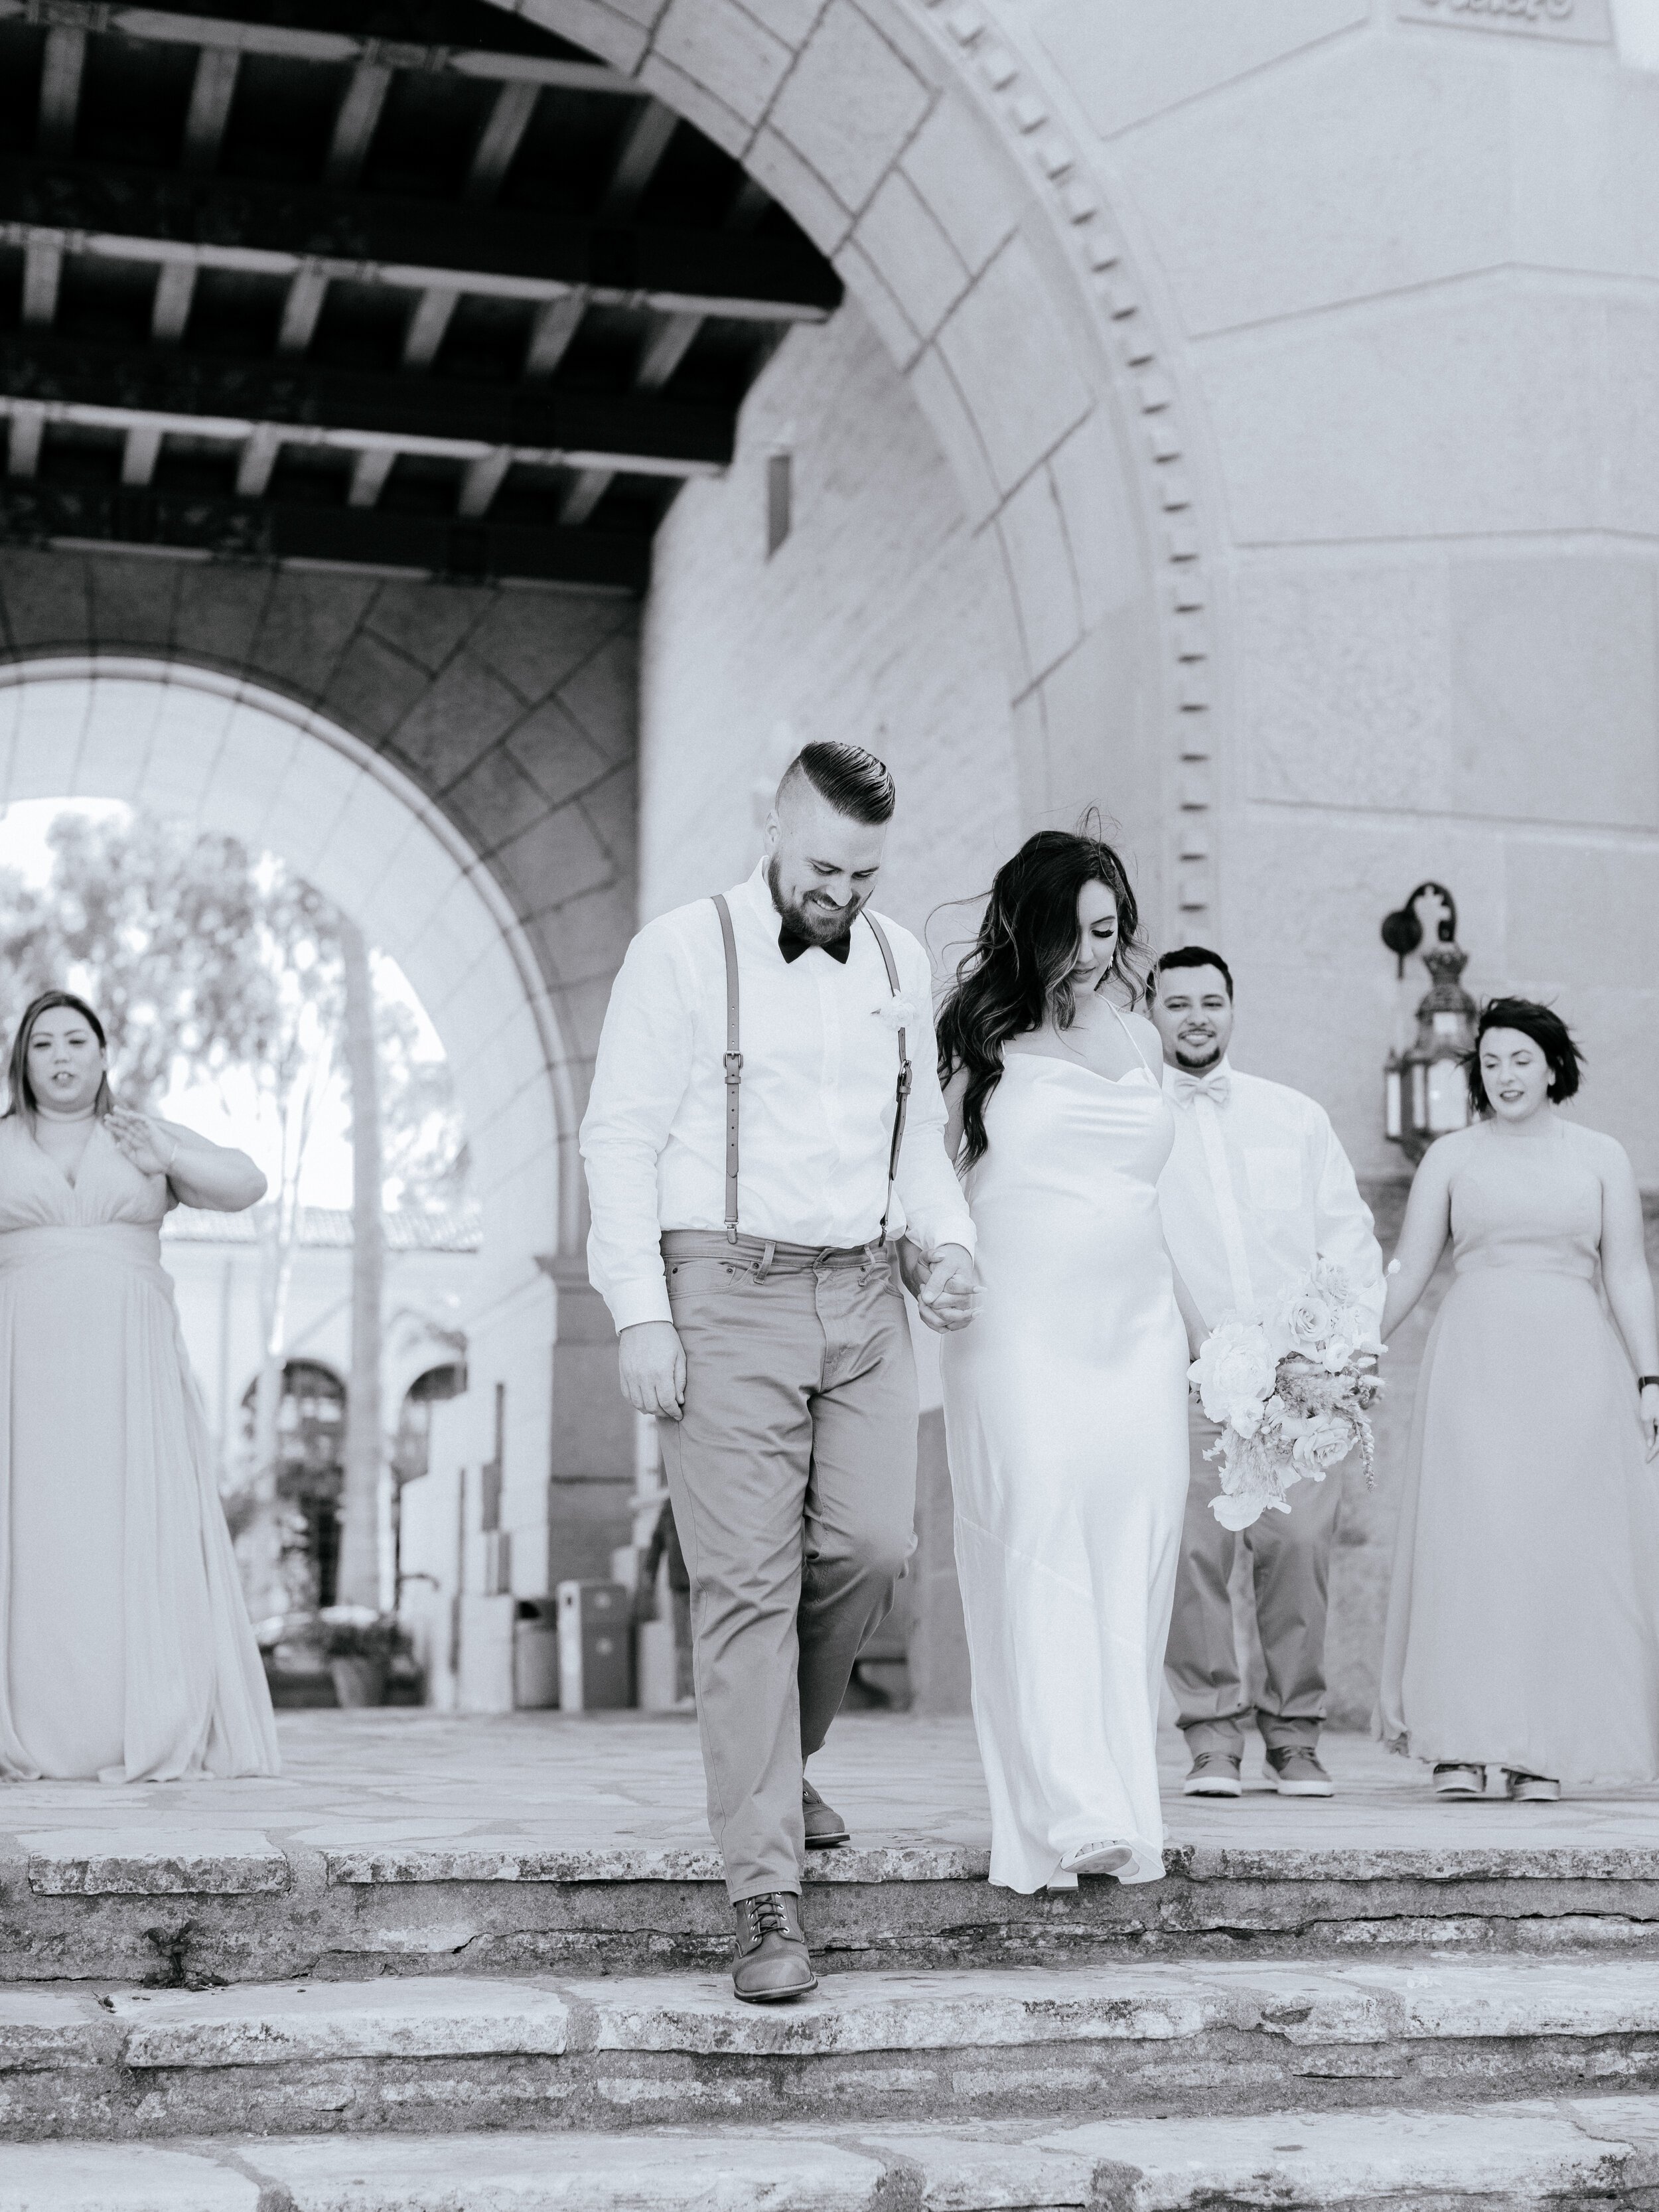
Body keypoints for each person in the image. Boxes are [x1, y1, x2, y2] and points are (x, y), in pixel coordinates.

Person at [580, 743, 976, 2003]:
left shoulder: (903, 960)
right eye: (823, 866)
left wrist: (949, 1247)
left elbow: (918, 1140)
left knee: (874, 1541)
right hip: (726, 1288)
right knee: (744, 1586)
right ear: (774, 825)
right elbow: (621, 1139)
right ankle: (763, 1894)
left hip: (865, 1290)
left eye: (865, 871)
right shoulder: (680, 950)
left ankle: (778, 1750)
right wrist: (641, 1312)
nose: (842, 892)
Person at [935, 830, 1196, 1894]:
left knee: (1132, 1544)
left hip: (1135, 1333)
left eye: (1109, 930)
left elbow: (1171, 1198)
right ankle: (1068, 1804)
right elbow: (926, 1168)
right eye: (1076, 931)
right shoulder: (975, 1031)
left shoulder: (1139, 1039)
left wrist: (1229, 1336)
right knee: (1038, 1530)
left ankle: (1117, 1792)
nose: (1095, 953)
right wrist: (930, 1259)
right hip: (1019, 1326)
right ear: (1028, 923)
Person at [1377, 998, 1659, 1801]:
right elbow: (1407, 1268)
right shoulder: (1452, 1156)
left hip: (1575, 1364)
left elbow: (1628, 1274)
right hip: (1475, 1363)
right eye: (1491, 1062)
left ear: (1552, 1066)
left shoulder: (1600, 1154)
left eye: (1520, 1060)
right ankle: (1459, 1746)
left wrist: (1650, 1379)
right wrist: (1341, 1350)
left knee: (1556, 1552)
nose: (1505, 1075)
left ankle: (1542, 1750)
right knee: (1472, 1544)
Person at [0, 991, 279, 1783]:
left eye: (77, 1041)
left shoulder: (141, 1132)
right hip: (21, 1369)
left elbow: (246, 1183)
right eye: (43, 1042)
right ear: (22, 1059)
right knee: (36, 1533)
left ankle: (142, 1714)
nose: (60, 1056)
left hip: (131, 1367)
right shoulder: (3, 1141)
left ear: (101, 1054)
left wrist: (170, 1161)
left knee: (128, 1525)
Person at [1151, 947, 1383, 1802]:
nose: (1197, 1017)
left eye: (1210, 1001)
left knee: (1296, 1552)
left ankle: (1294, 1736)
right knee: (1194, 1557)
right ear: (1153, 1013)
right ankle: (1210, 1736)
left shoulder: (1295, 1118)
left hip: (1295, 1380)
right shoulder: (1134, 1120)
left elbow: (1347, 1237)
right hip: (1183, 1376)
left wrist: (1345, 1357)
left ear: (1232, 1008)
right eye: (1177, 1004)